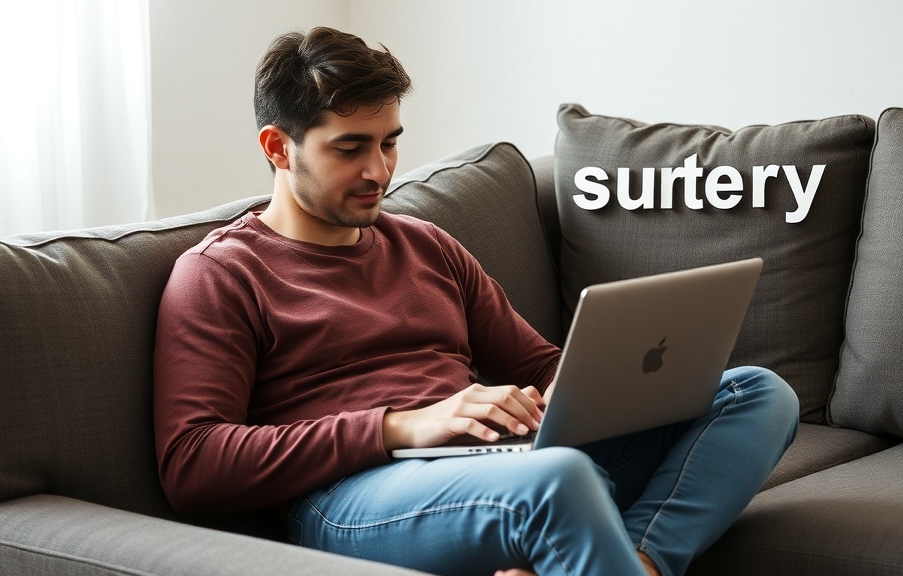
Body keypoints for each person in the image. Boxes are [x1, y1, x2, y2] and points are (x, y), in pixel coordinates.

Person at [152, 26, 799, 576]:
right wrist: (402, 425)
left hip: (488, 467)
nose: (379, 170)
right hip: (348, 498)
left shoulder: (427, 246)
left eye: (389, 141)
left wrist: (576, 395)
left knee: (756, 394)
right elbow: (193, 463)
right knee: (560, 480)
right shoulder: (220, 275)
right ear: (277, 148)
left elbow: (541, 364)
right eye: (350, 148)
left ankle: (639, 560)